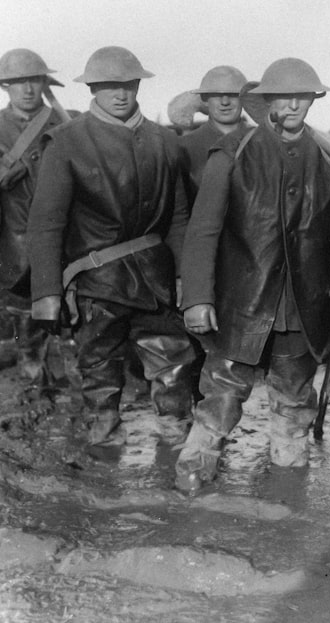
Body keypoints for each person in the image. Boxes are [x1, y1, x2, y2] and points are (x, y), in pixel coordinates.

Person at [176, 58, 330, 491]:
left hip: (302, 306)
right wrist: (197, 298)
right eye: (283, 96)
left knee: (293, 405)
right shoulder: (233, 152)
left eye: (302, 96)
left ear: (313, 100)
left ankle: (288, 499)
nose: (293, 105)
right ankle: (190, 486)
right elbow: (202, 231)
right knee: (221, 399)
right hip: (244, 304)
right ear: (266, 100)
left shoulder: (326, 158)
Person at [28, 46, 198, 447]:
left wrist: (182, 277)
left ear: (138, 85)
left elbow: (178, 218)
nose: (120, 94)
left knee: (173, 367)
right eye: (108, 86)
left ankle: (175, 454)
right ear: (92, 88)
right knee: (100, 375)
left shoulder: (164, 142)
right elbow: (46, 224)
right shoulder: (67, 142)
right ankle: (104, 462)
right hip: (95, 283)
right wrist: (47, 294)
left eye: (128, 85)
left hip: (155, 281)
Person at [0, 49, 72, 385]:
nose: (27, 89)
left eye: (34, 81)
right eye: (18, 82)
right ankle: (31, 370)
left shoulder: (66, 124)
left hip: (64, 230)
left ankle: (76, 374)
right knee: (20, 302)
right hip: (13, 232)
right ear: (5, 87)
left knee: (71, 300)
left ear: (44, 84)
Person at [178, 66, 251, 201]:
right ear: (205, 99)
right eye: (217, 95)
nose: (225, 102)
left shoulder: (260, 142)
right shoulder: (185, 147)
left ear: (244, 99)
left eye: (233, 95)